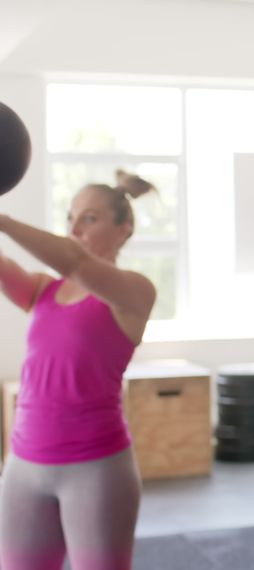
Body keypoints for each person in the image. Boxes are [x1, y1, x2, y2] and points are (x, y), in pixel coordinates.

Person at [0, 170, 158, 570]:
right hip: (23, 465)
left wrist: (2, 220)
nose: (74, 227)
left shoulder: (135, 293)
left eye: (89, 218)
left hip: (96, 470)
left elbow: (74, 261)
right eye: (71, 217)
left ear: (124, 229)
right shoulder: (42, 290)